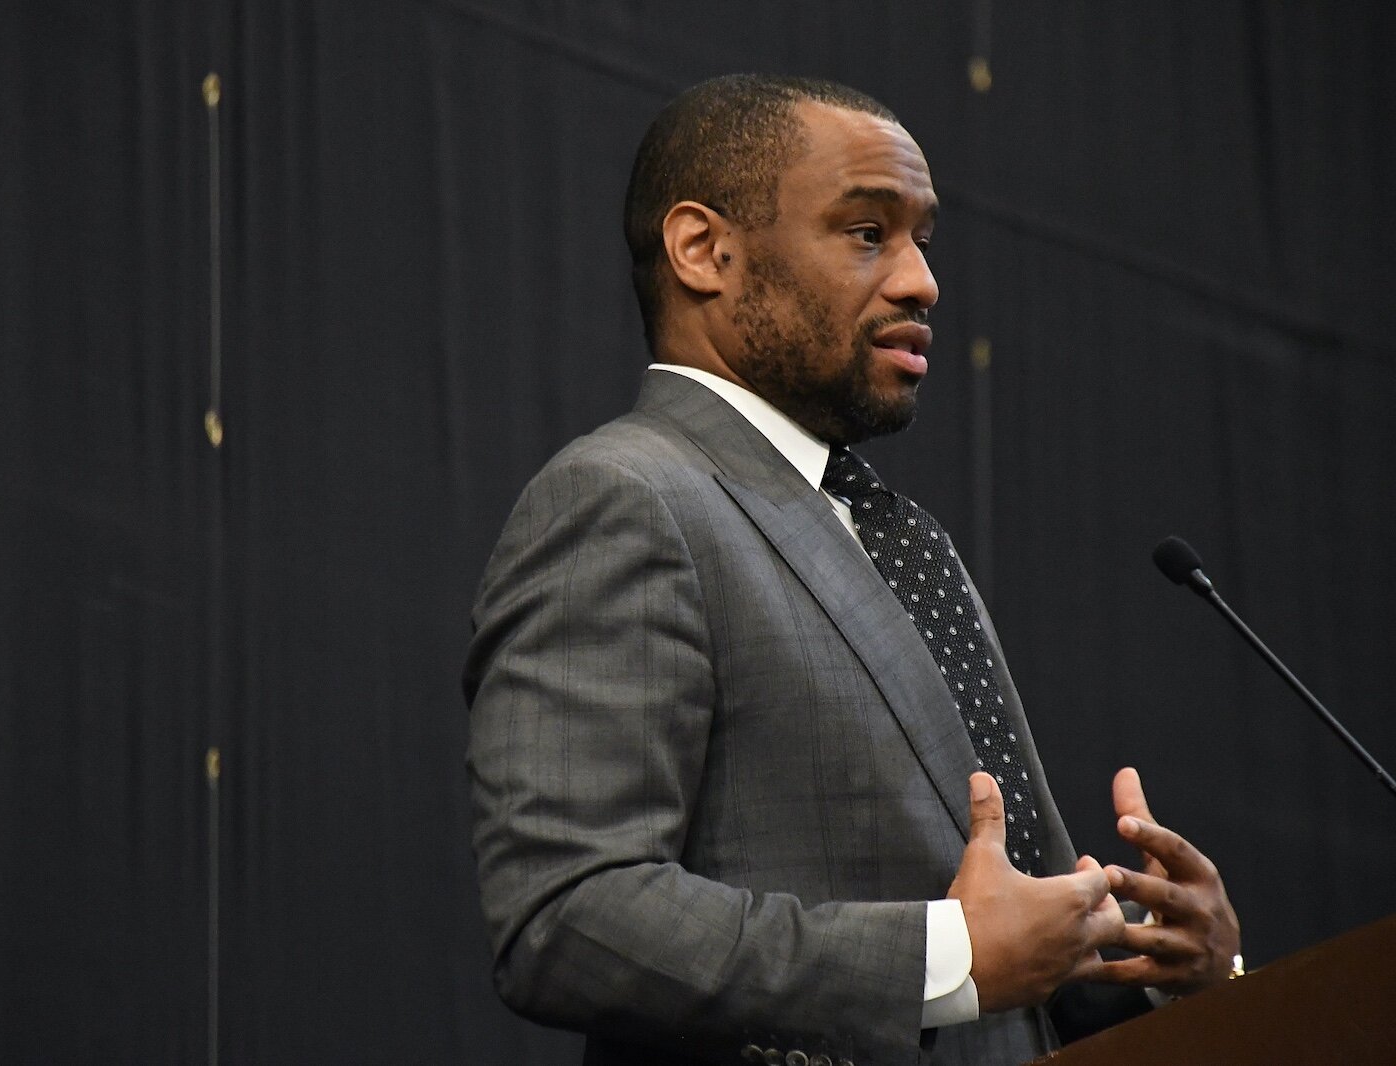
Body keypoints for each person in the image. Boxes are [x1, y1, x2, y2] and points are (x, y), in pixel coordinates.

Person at [463, 74, 1239, 1066]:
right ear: (704, 250)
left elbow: (1021, 957)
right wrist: (947, 952)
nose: (922, 281)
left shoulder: (901, 533)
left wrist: (1172, 964)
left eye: (922, 237)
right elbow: (565, 919)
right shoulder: (625, 496)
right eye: (868, 233)